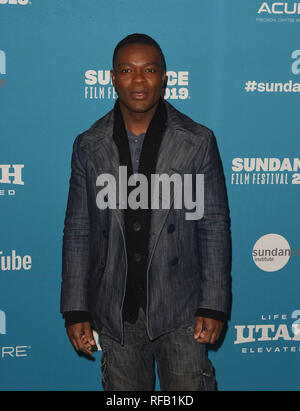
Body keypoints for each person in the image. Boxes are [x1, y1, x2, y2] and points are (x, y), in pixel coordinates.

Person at [60, 33, 231, 391]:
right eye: (127, 70)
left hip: (183, 311)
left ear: (165, 77)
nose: (139, 80)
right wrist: (76, 309)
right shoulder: (88, 145)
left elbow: (213, 225)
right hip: (118, 313)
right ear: (112, 78)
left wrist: (213, 305)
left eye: (149, 70)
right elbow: (78, 230)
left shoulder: (197, 141)